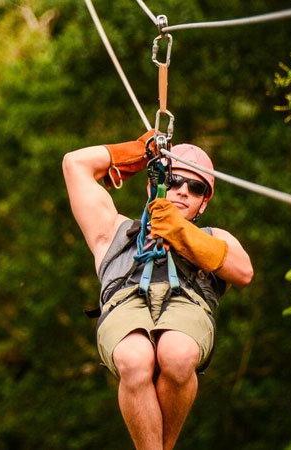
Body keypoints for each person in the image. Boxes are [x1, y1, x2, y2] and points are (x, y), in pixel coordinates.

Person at [62, 131, 253, 450]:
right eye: (174, 180)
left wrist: (182, 234)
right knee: (135, 360)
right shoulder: (112, 229)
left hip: (186, 306)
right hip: (126, 303)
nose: (182, 191)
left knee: (177, 355)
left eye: (195, 188)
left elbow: (244, 271)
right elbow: (75, 164)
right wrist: (139, 152)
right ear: (155, 184)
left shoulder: (214, 236)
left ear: (204, 202)